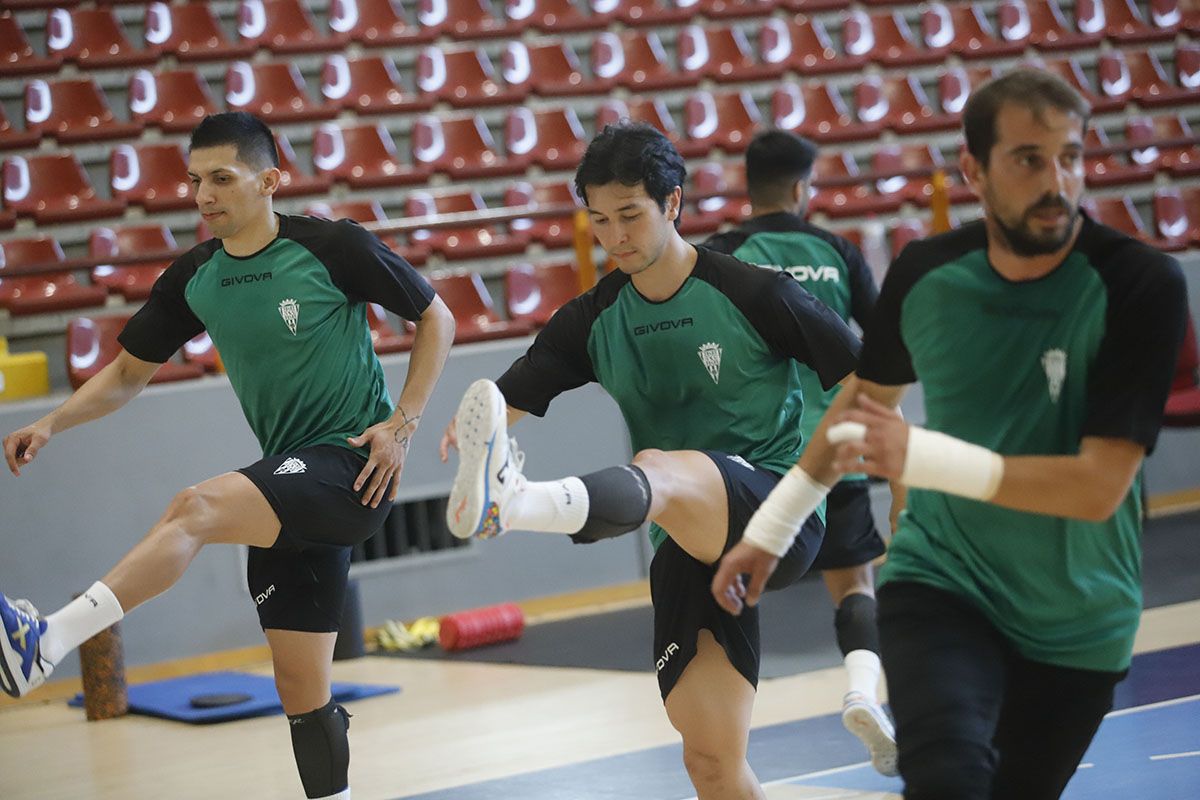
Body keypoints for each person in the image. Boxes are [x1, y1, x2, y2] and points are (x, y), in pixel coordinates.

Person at [712, 69, 1188, 800]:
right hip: (943, 582)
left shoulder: (1139, 285)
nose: (1057, 180)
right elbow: (859, 411)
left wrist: (921, 454)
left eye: (1071, 157)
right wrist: (772, 529)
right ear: (973, 169)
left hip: (1080, 612)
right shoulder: (927, 274)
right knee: (946, 780)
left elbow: (1098, 488)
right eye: (1029, 158)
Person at [1, 112, 455, 800]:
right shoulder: (197, 276)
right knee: (302, 689)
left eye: (221, 178)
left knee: (198, 506)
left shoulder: (334, 247)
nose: (203, 195)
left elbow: (436, 316)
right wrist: (53, 423)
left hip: (350, 466)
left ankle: (46, 643)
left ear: (269, 181)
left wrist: (403, 423)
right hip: (291, 486)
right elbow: (126, 374)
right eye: (194, 181)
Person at [440, 121, 862, 800]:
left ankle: (517, 504)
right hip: (682, 538)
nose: (615, 237)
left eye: (630, 215)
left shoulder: (758, 294)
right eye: (599, 220)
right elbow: (507, 398)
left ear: (672, 204)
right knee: (712, 760)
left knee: (660, 461)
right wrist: (469, 435)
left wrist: (839, 484)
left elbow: (864, 389)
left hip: (775, 516)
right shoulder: (594, 318)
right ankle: (508, 496)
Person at [703, 129, 898, 776]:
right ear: (800, 188)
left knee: (730, 587)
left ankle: (729, 749)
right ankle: (862, 692)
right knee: (854, 585)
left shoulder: (724, 255)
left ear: (750, 186)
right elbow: (878, 348)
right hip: (835, 447)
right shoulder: (837, 250)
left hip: (759, 459)